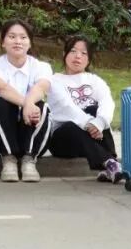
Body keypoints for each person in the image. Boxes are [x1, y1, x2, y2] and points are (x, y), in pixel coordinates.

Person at [0, 20, 53, 183]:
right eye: (12, 37)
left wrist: (30, 105)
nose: (17, 41)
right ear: (3, 42)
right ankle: (8, 159)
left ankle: (29, 159)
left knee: (41, 106)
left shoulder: (41, 66)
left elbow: (42, 87)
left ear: (30, 43)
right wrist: (27, 104)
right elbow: (1, 87)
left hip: (30, 131)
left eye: (23, 37)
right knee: (1, 103)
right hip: (0, 137)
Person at [47, 36, 121, 183]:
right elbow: (66, 107)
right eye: (73, 51)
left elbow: (107, 102)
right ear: (64, 54)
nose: (78, 56)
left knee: (96, 110)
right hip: (63, 140)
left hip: (90, 136)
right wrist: (90, 124)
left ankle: (109, 166)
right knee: (72, 125)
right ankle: (109, 163)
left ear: (89, 60)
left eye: (83, 53)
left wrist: (99, 123)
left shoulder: (94, 80)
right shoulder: (54, 81)